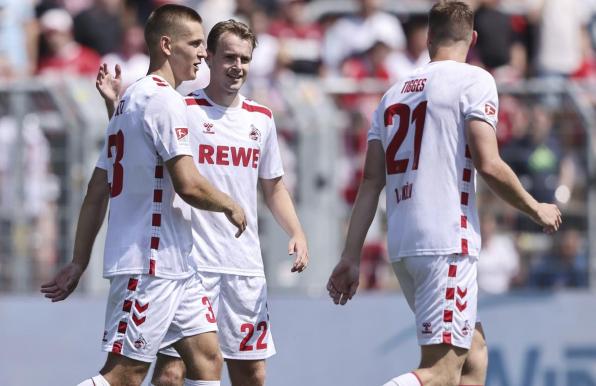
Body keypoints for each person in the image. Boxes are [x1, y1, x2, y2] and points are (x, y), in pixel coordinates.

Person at [326, 2, 562, 386]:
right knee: (441, 371)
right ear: (473, 39)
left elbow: (371, 182)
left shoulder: (391, 94)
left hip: (404, 243)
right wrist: (535, 207)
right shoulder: (474, 80)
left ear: (429, 37)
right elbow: (489, 163)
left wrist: (351, 256)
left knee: (474, 356)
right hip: (445, 240)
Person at [41, 5, 248, 386]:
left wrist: (79, 260)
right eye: (196, 43)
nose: (204, 53)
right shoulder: (164, 101)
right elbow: (187, 184)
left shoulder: (129, 100)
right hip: (149, 263)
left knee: (206, 361)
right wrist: (229, 203)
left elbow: (98, 188)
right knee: (124, 375)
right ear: (167, 45)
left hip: (177, 265)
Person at [97, 19, 309, 386]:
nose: (236, 66)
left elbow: (273, 186)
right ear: (208, 57)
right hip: (192, 263)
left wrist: (297, 232)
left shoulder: (261, 118)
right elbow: (140, 150)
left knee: (252, 373)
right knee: (172, 371)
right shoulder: (183, 107)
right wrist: (115, 108)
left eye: (244, 59)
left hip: (243, 265)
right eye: (228, 57)